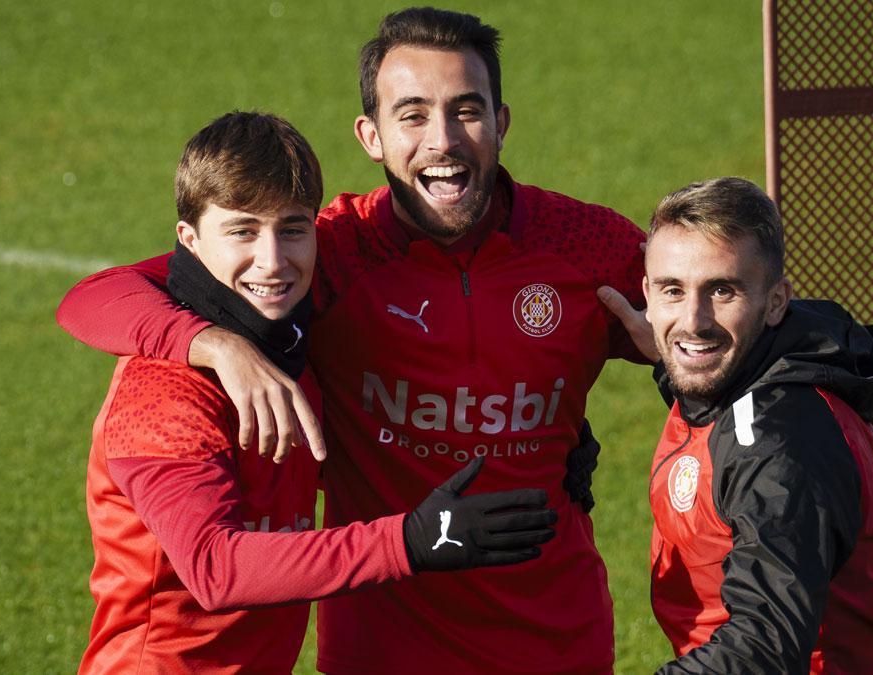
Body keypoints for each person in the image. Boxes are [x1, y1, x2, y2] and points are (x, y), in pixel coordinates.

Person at [58, 8, 648, 672]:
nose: (443, 140)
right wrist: (214, 344)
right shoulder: (332, 255)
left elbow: (723, 305)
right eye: (414, 114)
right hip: (382, 649)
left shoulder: (585, 245)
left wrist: (681, 371)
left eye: (467, 111)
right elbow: (92, 297)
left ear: (502, 121)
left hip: (558, 643)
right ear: (371, 135)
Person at [77, 110, 558, 674]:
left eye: (292, 228)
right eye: (242, 231)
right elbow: (214, 568)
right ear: (189, 240)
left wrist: (560, 434)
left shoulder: (292, 349)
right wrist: (410, 541)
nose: (273, 260)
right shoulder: (160, 392)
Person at [639, 177, 873, 673]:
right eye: (673, 290)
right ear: (647, 297)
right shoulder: (742, 384)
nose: (693, 320)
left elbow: (763, 648)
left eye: (722, 290)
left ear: (777, 301)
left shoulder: (778, 446)